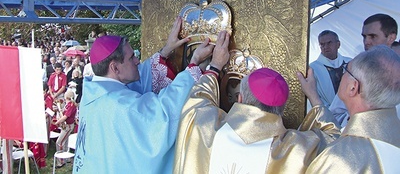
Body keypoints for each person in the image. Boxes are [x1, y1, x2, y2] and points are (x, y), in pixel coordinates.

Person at [173, 31, 340, 173]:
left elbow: (197, 102)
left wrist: (215, 66)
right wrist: (314, 98)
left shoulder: (206, 128)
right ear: (281, 109)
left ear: (239, 98)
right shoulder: (297, 150)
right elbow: (334, 141)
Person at [73, 17, 213, 174]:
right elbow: (164, 112)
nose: (138, 61)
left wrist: (166, 50)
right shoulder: (120, 106)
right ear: (115, 67)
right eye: (131, 57)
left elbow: (136, 80)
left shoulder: (93, 93)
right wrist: (194, 65)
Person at [306, 45, 400, 173]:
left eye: (345, 70)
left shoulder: (339, 160)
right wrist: (314, 96)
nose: (341, 76)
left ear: (353, 87)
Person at [329, 13, 398, 125]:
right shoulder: (354, 71)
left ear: (391, 38)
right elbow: (335, 114)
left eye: (373, 36)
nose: (366, 42)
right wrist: (356, 117)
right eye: (364, 36)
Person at [310, 30, 351, 107]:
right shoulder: (313, 69)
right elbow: (313, 95)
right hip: (328, 113)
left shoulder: (351, 63)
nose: (325, 47)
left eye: (329, 43)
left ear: (338, 44)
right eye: (322, 44)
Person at [54, 90, 77, 168]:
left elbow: (65, 117)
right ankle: (67, 159)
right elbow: (63, 113)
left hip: (68, 126)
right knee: (65, 142)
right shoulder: (67, 104)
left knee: (59, 142)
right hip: (66, 125)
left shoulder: (71, 105)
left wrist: (57, 122)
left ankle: (60, 161)